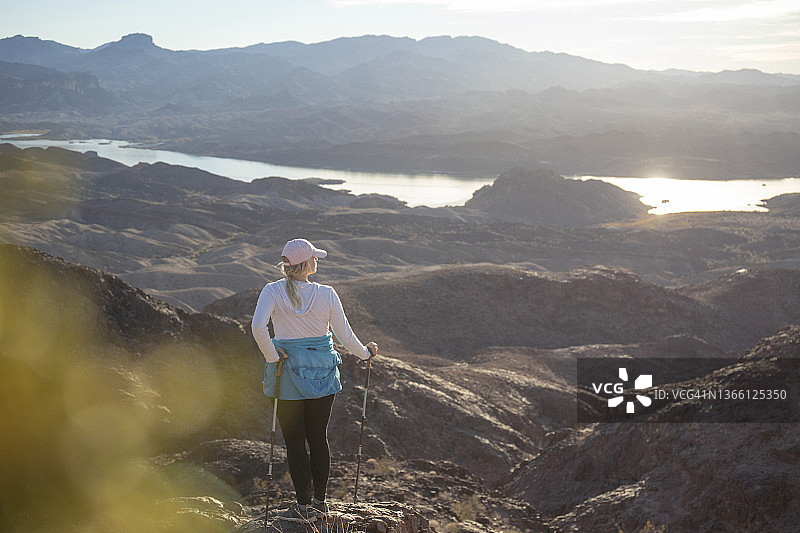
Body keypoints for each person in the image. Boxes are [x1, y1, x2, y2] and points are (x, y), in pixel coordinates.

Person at [251, 238, 378, 523]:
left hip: (287, 371)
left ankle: (303, 505)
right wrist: (366, 353)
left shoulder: (271, 291)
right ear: (306, 264)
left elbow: (258, 327)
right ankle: (321, 503)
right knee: (318, 438)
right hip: (322, 370)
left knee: (295, 442)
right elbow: (345, 336)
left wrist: (273, 357)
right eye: (315, 258)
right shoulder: (327, 293)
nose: (317, 261)